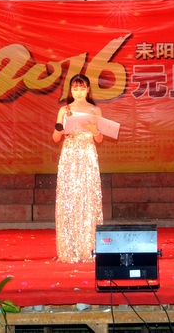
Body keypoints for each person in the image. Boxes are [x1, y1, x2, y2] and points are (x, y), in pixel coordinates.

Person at [52, 74, 104, 263]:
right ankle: (69, 247)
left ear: (88, 90)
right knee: (69, 198)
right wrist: (61, 129)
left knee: (87, 197)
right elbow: (55, 138)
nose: (79, 92)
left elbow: (100, 139)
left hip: (88, 155)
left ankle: (88, 246)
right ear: (70, 90)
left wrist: (95, 131)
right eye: (75, 88)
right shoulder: (64, 110)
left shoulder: (95, 110)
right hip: (69, 155)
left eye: (82, 88)